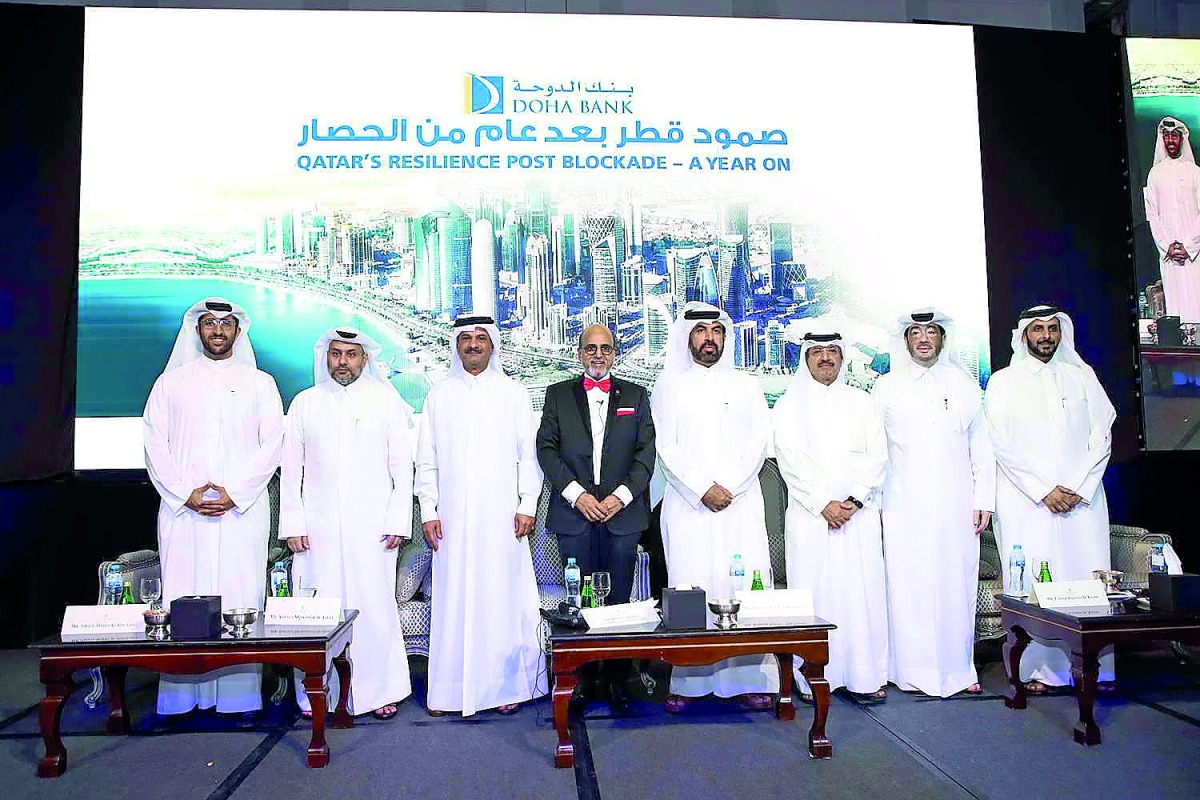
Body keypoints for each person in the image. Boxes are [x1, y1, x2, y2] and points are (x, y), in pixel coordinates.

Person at [143, 298, 284, 722]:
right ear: (197, 330)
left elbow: (272, 445)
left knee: (240, 596)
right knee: (183, 597)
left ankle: (240, 700)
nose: (218, 330)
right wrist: (183, 493)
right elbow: (154, 443)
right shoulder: (170, 383)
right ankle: (181, 699)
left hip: (242, 512)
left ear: (238, 331)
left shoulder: (261, 383)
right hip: (183, 513)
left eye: (225, 323)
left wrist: (235, 493)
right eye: (209, 323)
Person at [414, 314, 547, 717]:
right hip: (451, 519)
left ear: (492, 345)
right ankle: (449, 692)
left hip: (502, 517)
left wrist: (527, 504)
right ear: (457, 345)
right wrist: (428, 510)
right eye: (466, 339)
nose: (473, 345)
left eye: (480, 338)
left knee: (501, 597)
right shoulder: (439, 395)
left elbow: (529, 456)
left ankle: (506, 689)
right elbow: (426, 460)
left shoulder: (513, 393)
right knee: (453, 599)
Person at [280, 327, 414, 720]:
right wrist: (293, 524)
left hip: (374, 529)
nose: (343, 361)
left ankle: (379, 691)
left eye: (351, 354)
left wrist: (398, 521)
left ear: (364, 359)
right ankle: (317, 695)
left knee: (373, 606)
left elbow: (401, 468)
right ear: (326, 357)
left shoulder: (386, 401)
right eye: (336, 353)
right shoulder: (305, 403)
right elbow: (290, 471)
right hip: (316, 529)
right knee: (319, 608)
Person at [650, 301, 778, 712]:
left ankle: (748, 679)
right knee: (690, 585)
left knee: (742, 586)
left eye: (717, 330)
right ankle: (687, 681)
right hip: (689, 505)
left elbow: (758, 442)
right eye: (701, 330)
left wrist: (730, 487)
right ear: (687, 338)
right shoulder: (668, 387)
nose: (710, 338)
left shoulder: (746, 386)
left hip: (739, 503)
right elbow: (665, 446)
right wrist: (703, 488)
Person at [986, 304, 1117, 693]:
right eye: (1038, 329)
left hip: (1082, 501)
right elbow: (1000, 443)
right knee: (1036, 585)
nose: (1046, 336)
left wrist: (1078, 486)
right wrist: (1044, 490)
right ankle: (1038, 671)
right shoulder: (1004, 382)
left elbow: (1102, 435)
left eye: (1053, 328)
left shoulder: (1083, 377)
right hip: (1027, 503)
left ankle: (1095, 670)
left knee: (1086, 578)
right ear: (1024, 334)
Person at [873, 309, 994, 698]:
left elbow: (981, 446)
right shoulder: (886, 388)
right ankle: (907, 670)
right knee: (907, 585)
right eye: (915, 332)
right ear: (905, 340)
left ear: (943, 339)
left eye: (931, 332)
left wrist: (983, 499)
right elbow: (874, 451)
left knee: (956, 583)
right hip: (901, 504)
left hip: (956, 505)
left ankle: (959, 669)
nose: (923, 338)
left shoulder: (964, 385)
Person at [536, 323, 656, 710]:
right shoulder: (557, 395)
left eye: (605, 348)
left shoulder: (636, 395)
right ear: (580, 353)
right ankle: (584, 682)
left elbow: (645, 454)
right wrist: (578, 495)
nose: (598, 355)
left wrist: (620, 497)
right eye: (591, 348)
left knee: (619, 601)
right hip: (575, 514)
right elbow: (546, 450)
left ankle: (619, 681)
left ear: (614, 354)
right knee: (580, 599)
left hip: (623, 515)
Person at [773, 332, 889, 702]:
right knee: (815, 596)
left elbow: (878, 456)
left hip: (857, 517)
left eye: (833, 351)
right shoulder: (788, 406)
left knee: (861, 596)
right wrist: (823, 504)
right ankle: (811, 678)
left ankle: (863, 676)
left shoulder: (863, 402)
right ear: (806, 358)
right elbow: (790, 462)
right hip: (811, 519)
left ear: (842, 357)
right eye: (818, 352)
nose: (826, 358)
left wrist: (853, 501)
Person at [1144, 116, 1200, 322]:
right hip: (1169, 257)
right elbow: (1152, 215)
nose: (1170, 140)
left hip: (1195, 256)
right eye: (1166, 136)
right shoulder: (1155, 174)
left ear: (1181, 138)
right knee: (1176, 309)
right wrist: (1167, 247)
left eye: (1174, 135)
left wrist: (1189, 247)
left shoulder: (1195, 172)